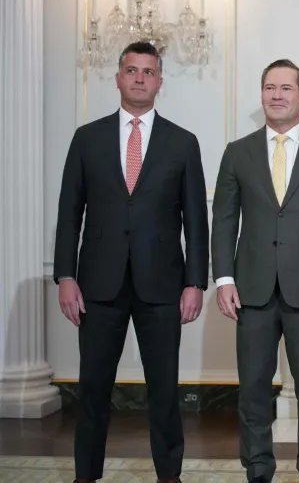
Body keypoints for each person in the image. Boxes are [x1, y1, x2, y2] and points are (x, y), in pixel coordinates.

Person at [53, 41, 209, 483]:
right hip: (97, 285)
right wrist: (65, 274)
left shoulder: (183, 143)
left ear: (160, 81)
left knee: (164, 390)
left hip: (162, 284)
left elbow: (196, 219)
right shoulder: (88, 138)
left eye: (148, 72)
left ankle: (169, 475)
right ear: (118, 78)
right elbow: (69, 213)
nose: (140, 78)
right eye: (131, 70)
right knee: (93, 389)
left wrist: (196, 281)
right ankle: (86, 475)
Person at [210, 59, 299, 483]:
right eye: (269, 87)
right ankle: (258, 467)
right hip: (250, 291)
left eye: (286, 88)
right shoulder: (237, 152)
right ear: (261, 95)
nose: (277, 95)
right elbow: (223, 221)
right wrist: (223, 278)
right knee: (253, 388)